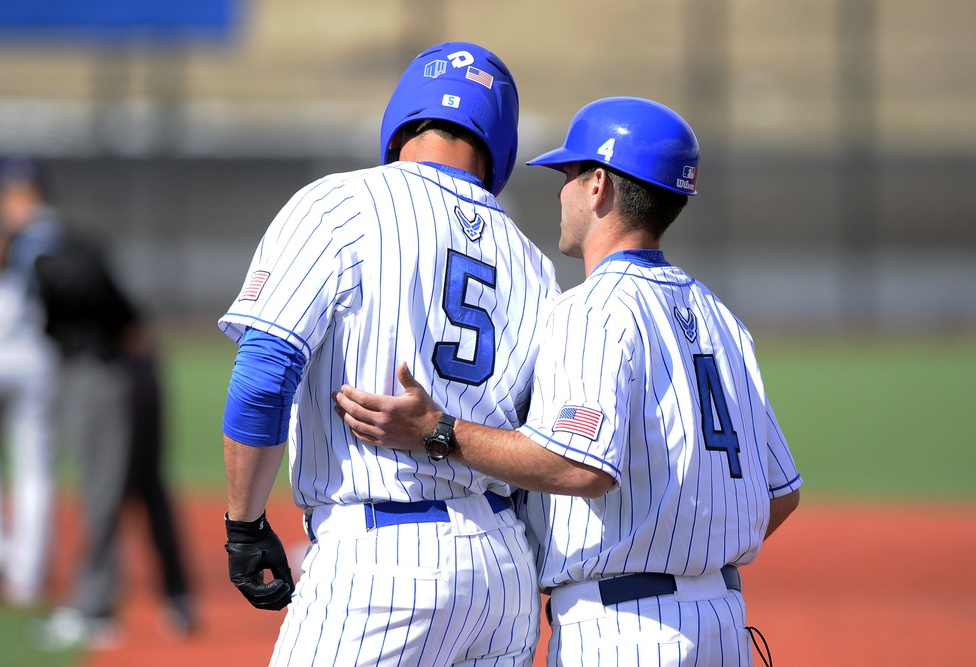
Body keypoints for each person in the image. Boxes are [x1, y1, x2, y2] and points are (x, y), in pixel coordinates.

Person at [335, 97, 803, 666]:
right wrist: (689, 545)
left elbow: (580, 467)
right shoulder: (720, 317)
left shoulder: (592, 310)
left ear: (598, 184)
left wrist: (437, 430)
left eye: (568, 174)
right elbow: (781, 492)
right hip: (722, 626)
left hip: (626, 633)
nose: (561, 190)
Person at [218, 41, 560, 666]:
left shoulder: (338, 204)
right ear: (499, 142)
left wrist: (244, 524)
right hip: (503, 570)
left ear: (403, 118)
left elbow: (265, 375)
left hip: (381, 566)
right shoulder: (534, 264)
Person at [26, 209, 196, 648]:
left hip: (103, 372)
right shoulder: (58, 248)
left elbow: (101, 297)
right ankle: (177, 596)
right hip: (125, 370)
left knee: (108, 488)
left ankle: (95, 609)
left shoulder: (48, 252)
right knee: (142, 484)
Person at [0, 156, 61, 607]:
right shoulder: (53, 229)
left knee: (33, 470)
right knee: (34, 470)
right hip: (38, 357)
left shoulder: (29, 232)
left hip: (22, 351)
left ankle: (17, 569)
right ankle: (25, 577)